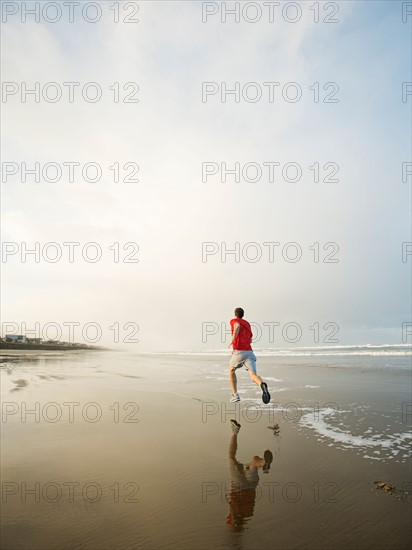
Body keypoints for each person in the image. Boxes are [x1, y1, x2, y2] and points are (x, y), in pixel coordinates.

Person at [226, 419, 273, 531]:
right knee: (231, 457)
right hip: (238, 485)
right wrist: (234, 512)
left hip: (252, 485)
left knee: (254, 462)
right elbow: (233, 512)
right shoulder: (236, 517)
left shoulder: (249, 514)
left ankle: (262, 463)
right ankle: (234, 432)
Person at [228, 307, 270, 403]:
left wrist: (232, 340)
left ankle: (235, 395)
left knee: (231, 370)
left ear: (235, 314)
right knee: (253, 375)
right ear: (243, 315)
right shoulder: (247, 324)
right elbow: (250, 339)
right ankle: (262, 384)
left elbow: (237, 326)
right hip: (249, 352)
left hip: (239, 351)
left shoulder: (234, 321)